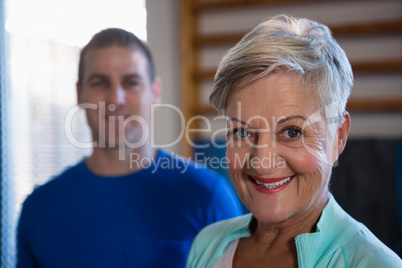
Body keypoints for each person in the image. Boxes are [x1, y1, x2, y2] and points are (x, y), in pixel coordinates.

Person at [186, 14, 402, 267]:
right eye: (242, 132)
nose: (262, 162)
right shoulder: (208, 244)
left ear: (339, 137)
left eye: (292, 132)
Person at [17, 28, 243, 268]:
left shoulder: (208, 197)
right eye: (99, 82)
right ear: (79, 93)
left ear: (155, 93)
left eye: (131, 82)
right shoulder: (39, 209)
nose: (116, 98)